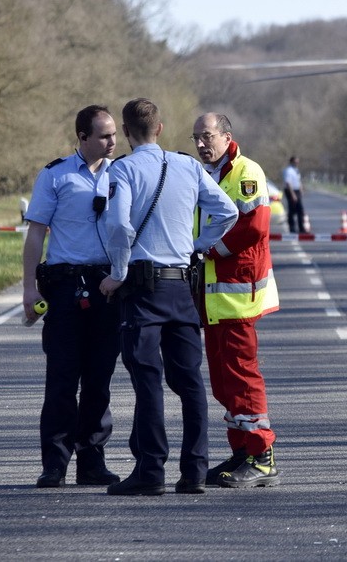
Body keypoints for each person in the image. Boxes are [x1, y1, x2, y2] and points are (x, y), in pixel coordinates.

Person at [99, 98, 238, 496]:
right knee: (191, 382)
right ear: (159, 129)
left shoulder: (122, 170)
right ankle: (194, 471)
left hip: (142, 289)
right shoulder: (188, 165)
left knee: (148, 381)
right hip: (182, 286)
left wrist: (117, 274)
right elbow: (228, 211)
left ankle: (150, 471)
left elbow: (120, 227)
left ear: (126, 132)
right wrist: (196, 246)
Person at [22, 105, 122, 489]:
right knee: (62, 379)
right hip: (66, 287)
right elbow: (35, 234)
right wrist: (30, 287)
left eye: (114, 134)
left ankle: (92, 461)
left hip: (108, 286)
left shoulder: (123, 172)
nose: (112, 141)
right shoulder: (55, 175)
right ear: (82, 137)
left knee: (99, 379)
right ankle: (55, 464)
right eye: (104, 135)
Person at [191, 113, 281, 488]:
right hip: (214, 297)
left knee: (242, 377)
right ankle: (242, 450)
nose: (200, 144)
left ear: (227, 137)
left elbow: (256, 225)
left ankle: (261, 456)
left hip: (238, 295)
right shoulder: (207, 173)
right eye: (196, 137)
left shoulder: (246, 172)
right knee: (224, 382)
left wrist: (213, 250)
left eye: (207, 137)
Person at [282, 156, 305, 233]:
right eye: (295, 162)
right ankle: (292, 228)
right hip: (291, 191)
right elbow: (288, 183)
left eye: (298, 162)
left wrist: (301, 189)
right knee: (292, 209)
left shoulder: (296, 170)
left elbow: (298, 180)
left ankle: (301, 228)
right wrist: (293, 194)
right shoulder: (288, 171)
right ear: (291, 162)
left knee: (300, 210)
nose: (297, 164)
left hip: (297, 190)